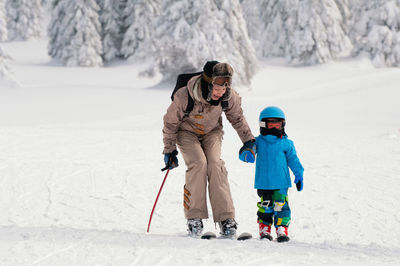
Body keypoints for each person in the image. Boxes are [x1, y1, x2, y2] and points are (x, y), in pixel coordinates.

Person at [162, 61, 255, 237]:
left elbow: (237, 118)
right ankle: (194, 218)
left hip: (212, 132)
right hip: (187, 132)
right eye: (216, 88)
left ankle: (226, 219)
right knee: (199, 163)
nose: (220, 92)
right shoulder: (185, 95)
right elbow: (170, 122)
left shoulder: (229, 96)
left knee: (215, 164)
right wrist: (169, 150)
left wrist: (248, 140)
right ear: (207, 83)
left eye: (224, 88)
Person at [239, 106, 304, 242]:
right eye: (271, 125)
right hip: (264, 182)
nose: (274, 128)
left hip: (281, 183)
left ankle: (282, 229)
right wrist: (246, 154)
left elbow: (293, 160)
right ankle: (265, 228)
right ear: (263, 125)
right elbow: (247, 150)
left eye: (277, 125)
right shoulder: (257, 142)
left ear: (283, 125)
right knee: (265, 206)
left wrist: (299, 174)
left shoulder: (286, 143)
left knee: (281, 205)